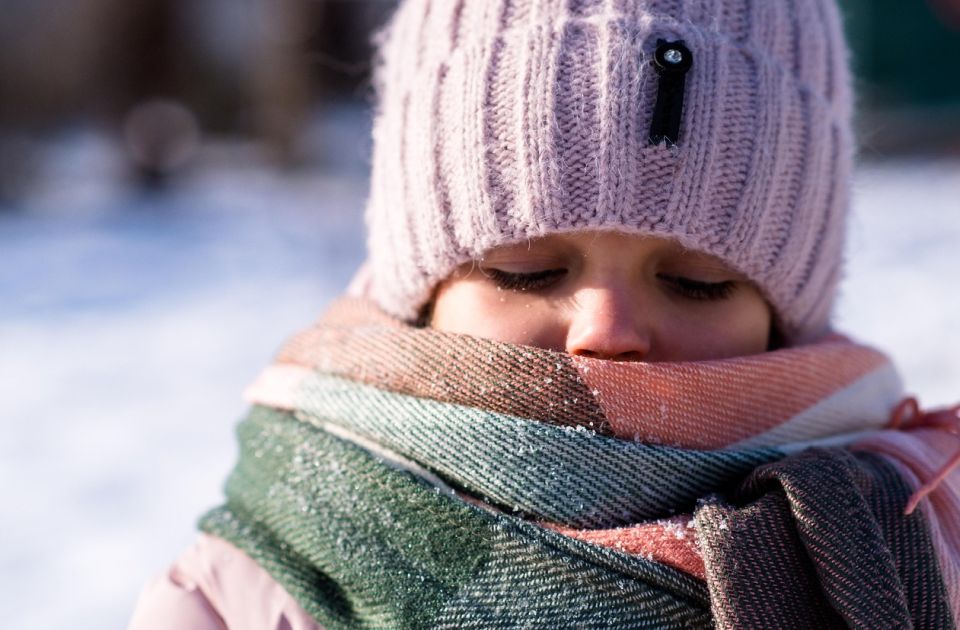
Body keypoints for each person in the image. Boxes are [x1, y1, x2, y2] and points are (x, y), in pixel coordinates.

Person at [129, 0, 960, 628]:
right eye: (525, 272)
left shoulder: (918, 541)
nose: (607, 330)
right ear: (422, 294)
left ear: (786, 318)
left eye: (698, 281)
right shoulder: (242, 597)